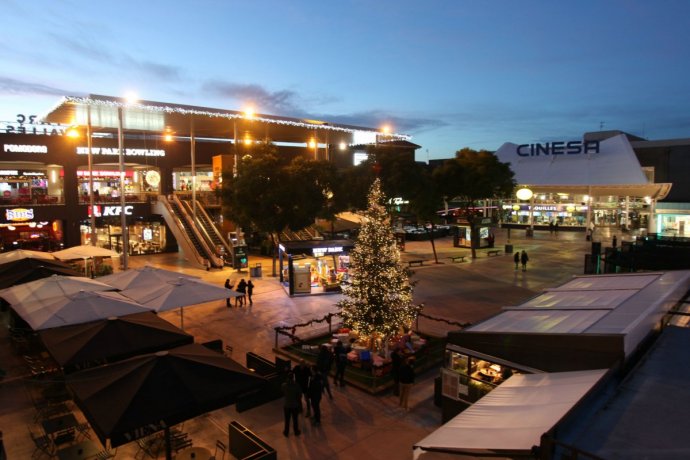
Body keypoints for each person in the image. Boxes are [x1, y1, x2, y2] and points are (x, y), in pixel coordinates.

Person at [281, 372, 301, 437]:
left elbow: (283, 391)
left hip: (287, 405)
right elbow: (299, 395)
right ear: (293, 377)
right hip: (295, 405)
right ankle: (296, 431)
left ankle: (286, 432)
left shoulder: (284, 385)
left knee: (287, 420)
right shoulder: (296, 385)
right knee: (295, 420)